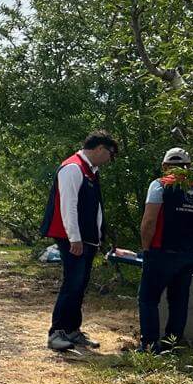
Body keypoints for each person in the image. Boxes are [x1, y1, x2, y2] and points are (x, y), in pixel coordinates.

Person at [41, 131, 120, 352]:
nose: (110, 160)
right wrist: (74, 238)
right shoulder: (73, 168)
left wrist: (98, 236)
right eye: (110, 155)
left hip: (87, 239)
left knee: (80, 286)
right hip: (73, 238)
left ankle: (72, 330)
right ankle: (56, 332)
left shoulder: (91, 172)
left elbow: (94, 209)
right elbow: (68, 206)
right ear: (100, 149)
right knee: (72, 284)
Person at [137, 148, 193, 353]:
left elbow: (149, 221)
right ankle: (171, 344)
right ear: (189, 167)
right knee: (178, 300)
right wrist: (191, 241)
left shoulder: (159, 185)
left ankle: (149, 344)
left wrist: (146, 248)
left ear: (164, 167)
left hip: (160, 252)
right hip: (187, 255)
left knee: (148, 299)